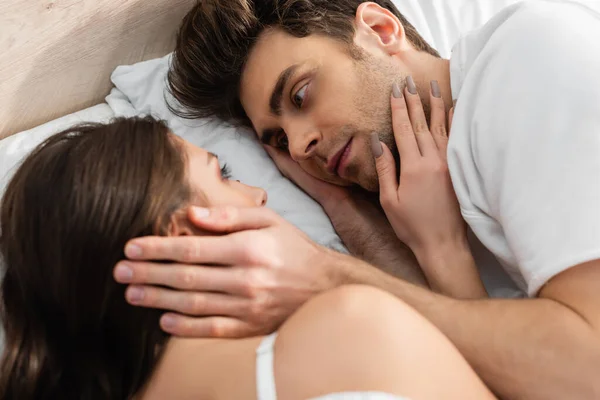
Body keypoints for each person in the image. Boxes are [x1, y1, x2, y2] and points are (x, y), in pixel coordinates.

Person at [116, 0, 600, 399]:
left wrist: (331, 273)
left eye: (301, 95)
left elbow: (585, 373)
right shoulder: (428, 200)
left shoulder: (525, 63)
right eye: (281, 141)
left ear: (379, 30)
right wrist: (368, 225)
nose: (300, 144)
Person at [0, 117, 494, 399]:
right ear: (180, 232)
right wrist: (443, 248)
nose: (258, 193)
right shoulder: (350, 328)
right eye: (224, 174)